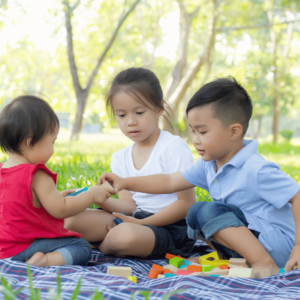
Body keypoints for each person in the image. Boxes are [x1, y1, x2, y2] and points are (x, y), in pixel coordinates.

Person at [98, 77, 300, 276]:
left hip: (277, 246)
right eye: (193, 131)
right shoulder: (208, 165)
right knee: (195, 214)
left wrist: (298, 245)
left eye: (202, 132)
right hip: (251, 241)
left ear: (234, 132)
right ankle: (235, 259)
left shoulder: (256, 168)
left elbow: (297, 195)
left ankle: (264, 264)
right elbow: (170, 181)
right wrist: (125, 182)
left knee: (207, 211)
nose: (195, 140)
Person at [65, 67, 196, 258]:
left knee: (124, 236)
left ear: (159, 108)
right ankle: (102, 240)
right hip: (132, 219)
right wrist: (98, 198)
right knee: (69, 220)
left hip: (170, 229)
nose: (131, 122)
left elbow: (186, 204)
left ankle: (99, 246)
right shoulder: (120, 158)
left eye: (139, 112)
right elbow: (130, 206)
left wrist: (139, 224)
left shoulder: (173, 147)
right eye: (122, 115)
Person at [0, 95, 112, 267]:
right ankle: (44, 261)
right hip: (22, 248)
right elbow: (61, 209)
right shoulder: (36, 175)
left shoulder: (3, 171)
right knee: (80, 246)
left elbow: (19, 203)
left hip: (3, 249)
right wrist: (91, 195)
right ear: (30, 141)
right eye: (52, 142)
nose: (53, 149)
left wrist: (57, 195)